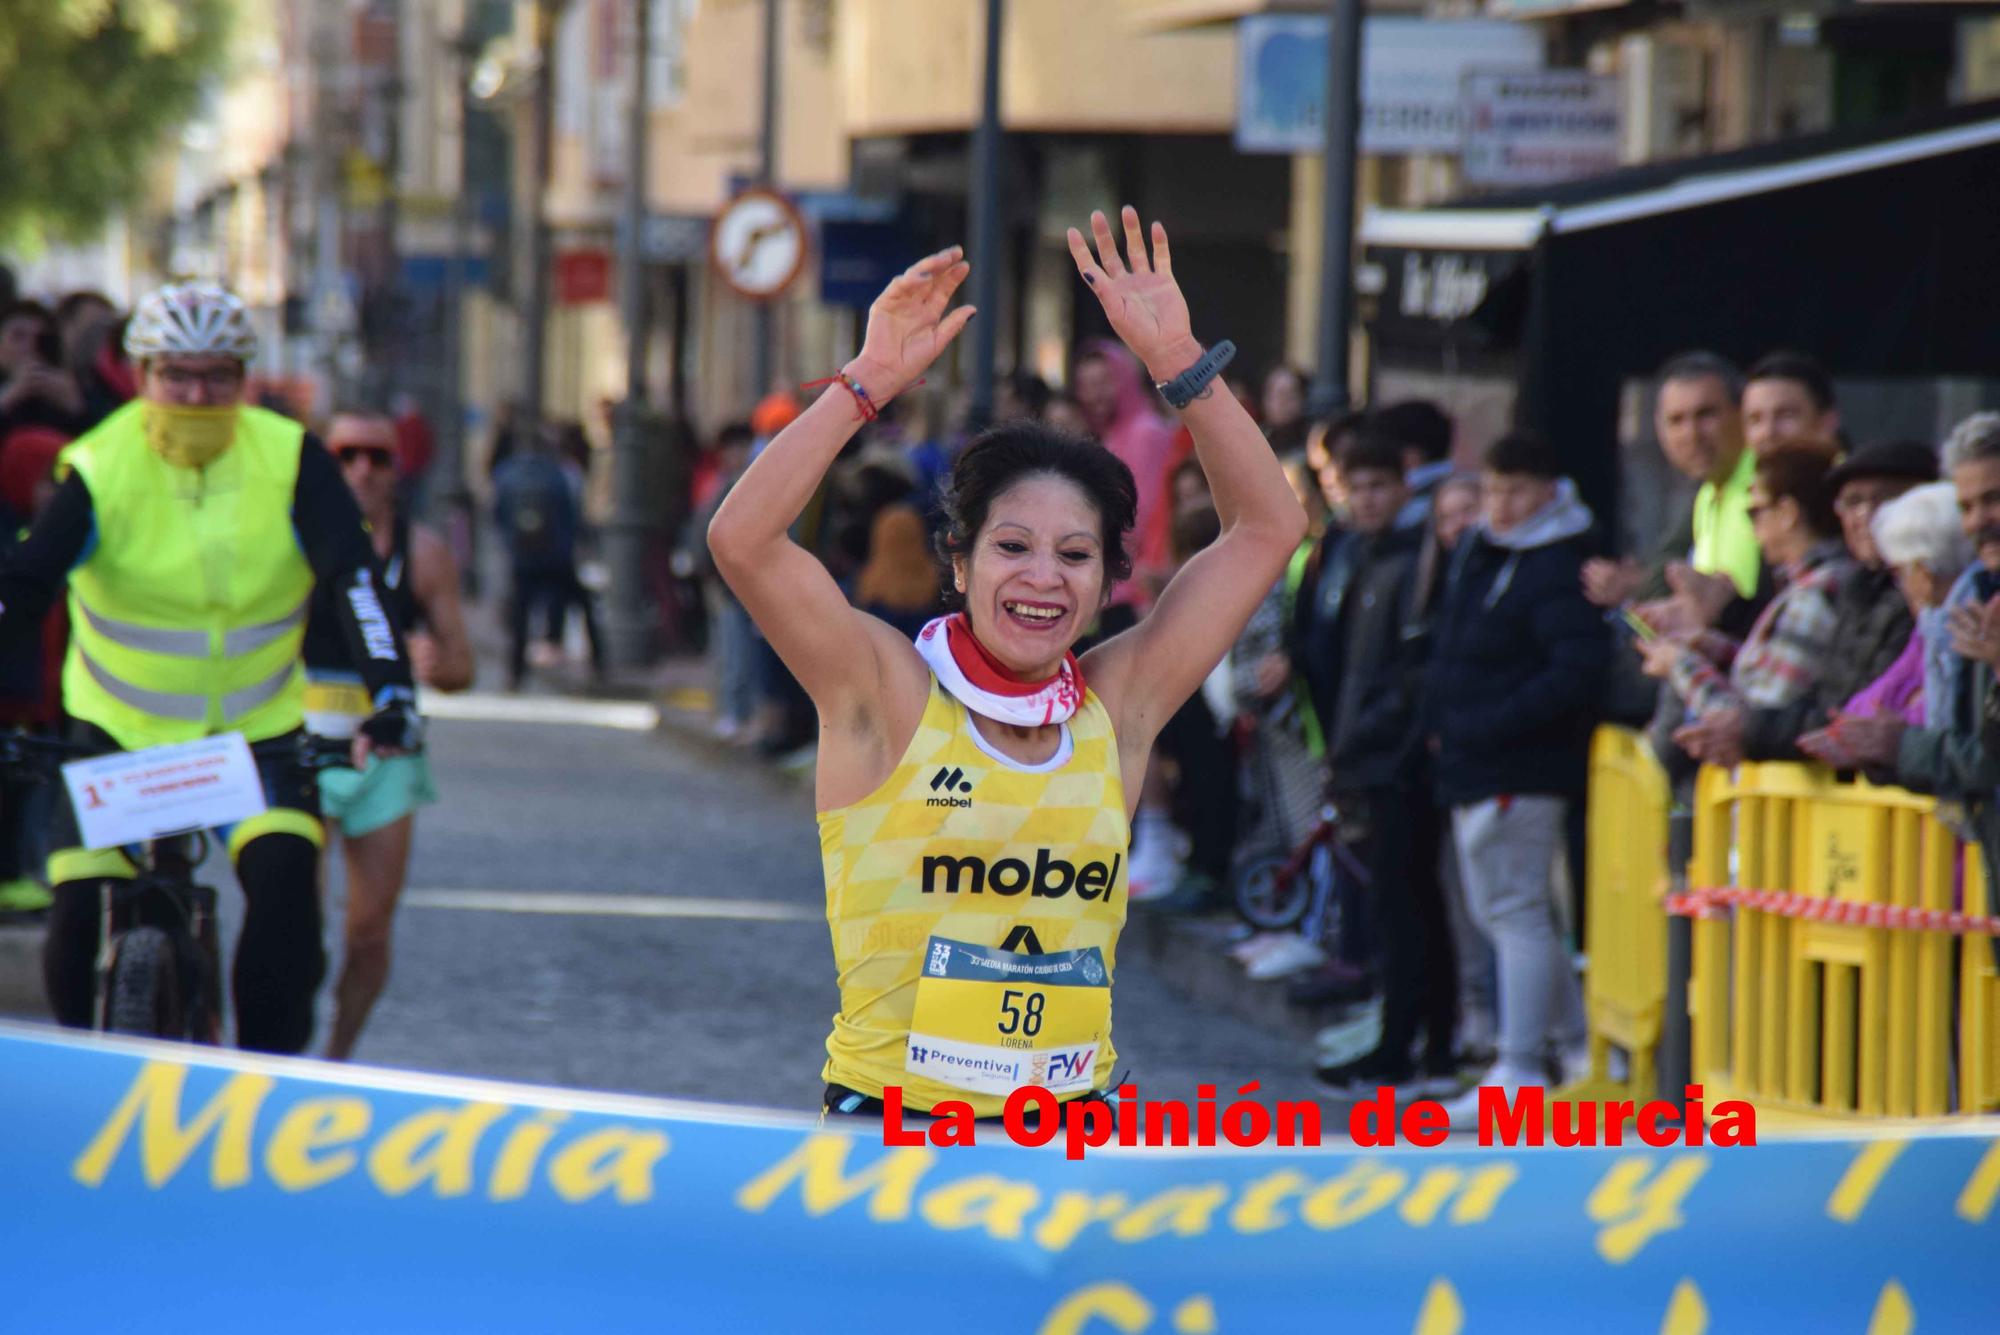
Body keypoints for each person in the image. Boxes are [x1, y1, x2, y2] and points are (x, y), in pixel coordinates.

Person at [708, 209, 1307, 1120]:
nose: (1042, 579)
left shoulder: (1119, 705)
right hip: (898, 1135)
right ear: (960, 561)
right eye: (1012, 547)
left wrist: (1182, 364)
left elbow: (1268, 529)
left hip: (1077, 1132)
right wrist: (864, 383)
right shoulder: (887, 692)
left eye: (1075, 556)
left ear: (1111, 577)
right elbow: (744, 540)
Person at [0, 282, 421, 1054]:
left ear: (244, 379)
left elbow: (353, 578)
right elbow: (26, 587)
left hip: (253, 737)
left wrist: (391, 691)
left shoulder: (293, 460)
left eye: (217, 376)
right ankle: (92, 1087)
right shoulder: (98, 462)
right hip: (116, 734)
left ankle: (263, 1090)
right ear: (141, 374)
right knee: (75, 920)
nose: (196, 394)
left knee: (287, 908)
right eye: (176, 375)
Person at [1427, 432, 1607, 1119]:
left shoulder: (1560, 562)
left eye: (1518, 490)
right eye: (1494, 488)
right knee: (1504, 911)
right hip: (1476, 762)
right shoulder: (1482, 550)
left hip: (1521, 766)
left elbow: (1573, 671)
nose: (1502, 504)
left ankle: (1521, 1066)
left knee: (1519, 912)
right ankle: (1569, 1046)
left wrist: (1491, 721)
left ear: (1550, 491)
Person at [308, 412, 473, 1060]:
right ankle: (274, 1039)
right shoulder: (294, 540)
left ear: (396, 469)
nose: (361, 471)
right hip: (303, 740)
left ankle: (336, 1056)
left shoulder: (423, 552)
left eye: (376, 457)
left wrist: (437, 662)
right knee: (295, 915)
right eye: (346, 455)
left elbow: (464, 665)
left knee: (369, 931)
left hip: (387, 750)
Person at [1310, 432, 1458, 1096]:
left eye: (1378, 486)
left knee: (1411, 906)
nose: (1366, 500)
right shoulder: (1356, 555)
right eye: (1355, 487)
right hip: (1362, 755)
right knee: (1394, 906)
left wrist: (1370, 742)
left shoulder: (1414, 559)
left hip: (1397, 765)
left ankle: (1417, 1046)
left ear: (1404, 489)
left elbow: (1404, 674)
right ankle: (1404, 1040)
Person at [1675, 441, 1933, 766]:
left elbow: (1775, 701)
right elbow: (1828, 700)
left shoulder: (1825, 590)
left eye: (1887, 500)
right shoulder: (1859, 588)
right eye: (1852, 502)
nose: (1866, 516)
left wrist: (1681, 665)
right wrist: (1723, 650)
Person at [1643, 444, 1850, 739]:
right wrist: (1722, 651)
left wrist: (1680, 665)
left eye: (1755, 512)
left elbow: (1755, 719)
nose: (1753, 530)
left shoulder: (1814, 595)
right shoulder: (1811, 586)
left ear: (1788, 513)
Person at [494, 427, 596, 689]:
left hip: (522, 557)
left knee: (521, 614)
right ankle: (599, 661)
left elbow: (498, 515)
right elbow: (571, 515)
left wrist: (511, 548)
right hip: (556, 557)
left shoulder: (507, 473)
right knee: (581, 602)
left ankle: (515, 673)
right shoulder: (559, 475)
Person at [1742, 350, 1840, 458]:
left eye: (1786, 415)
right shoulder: (1735, 473)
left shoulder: (1852, 474)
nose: (1768, 432)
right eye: (1755, 419)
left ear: (1826, 423)